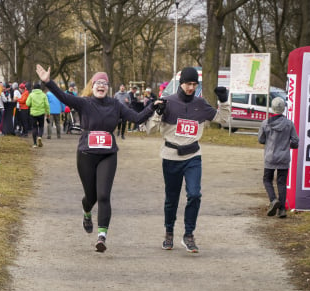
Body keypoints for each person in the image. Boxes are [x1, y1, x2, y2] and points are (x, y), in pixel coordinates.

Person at [36, 64, 160, 252]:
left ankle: (102, 236)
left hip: (108, 155)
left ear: (108, 87)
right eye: (97, 83)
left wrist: (153, 106)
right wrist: (48, 82)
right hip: (86, 154)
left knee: (103, 195)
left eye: (104, 83)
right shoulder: (84, 102)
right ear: (92, 86)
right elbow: (63, 97)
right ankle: (86, 212)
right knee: (91, 197)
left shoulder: (116, 105)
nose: (101, 86)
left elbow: (137, 118)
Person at [145, 67, 231, 253]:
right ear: (180, 83)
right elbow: (149, 129)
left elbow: (223, 119)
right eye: (188, 83)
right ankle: (169, 233)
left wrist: (224, 100)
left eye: (194, 84)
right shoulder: (167, 102)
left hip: (193, 156)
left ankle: (189, 235)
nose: (191, 87)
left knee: (194, 194)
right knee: (172, 199)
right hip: (171, 156)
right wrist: (158, 113)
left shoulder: (200, 104)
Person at [258, 97, 299, 218]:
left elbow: (261, 139)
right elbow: (296, 142)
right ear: (283, 109)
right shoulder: (289, 124)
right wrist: (287, 145)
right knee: (281, 183)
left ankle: (273, 200)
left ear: (272, 108)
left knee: (267, 180)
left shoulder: (266, 123)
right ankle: (282, 210)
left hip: (270, 157)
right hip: (284, 157)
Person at [26, 82, 50, 147]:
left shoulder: (31, 95)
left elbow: (27, 103)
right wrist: (48, 113)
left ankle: (34, 143)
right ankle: (39, 136)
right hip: (41, 113)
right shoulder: (43, 95)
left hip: (33, 114)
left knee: (34, 127)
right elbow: (47, 105)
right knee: (41, 126)